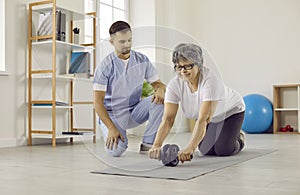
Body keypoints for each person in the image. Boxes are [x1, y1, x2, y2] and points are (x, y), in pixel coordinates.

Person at [148, 43, 245, 163]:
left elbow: (204, 119)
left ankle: (239, 138)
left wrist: (190, 148)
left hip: (231, 111)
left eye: (188, 66)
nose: (183, 71)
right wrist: (156, 145)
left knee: (222, 150)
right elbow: (168, 119)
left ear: (198, 65)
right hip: (210, 118)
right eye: (179, 67)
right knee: (206, 150)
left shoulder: (210, 81)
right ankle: (221, 134)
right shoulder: (175, 84)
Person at [93, 21, 166, 157]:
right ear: (112, 42)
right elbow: (97, 103)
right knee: (116, 151)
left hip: (134, 111)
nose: (127, 45)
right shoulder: (105, 66)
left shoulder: (142, 60)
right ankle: (111, 131)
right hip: (113, 115)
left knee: (161, 101)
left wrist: (160, 89)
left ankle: (148, 145)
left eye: (129, 40)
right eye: (122, 42)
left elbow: (157, 83)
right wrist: (111, 128)